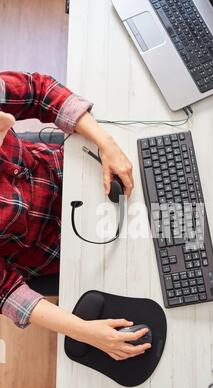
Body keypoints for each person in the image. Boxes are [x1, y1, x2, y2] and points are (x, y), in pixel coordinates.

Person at [0, 71, 151, 361]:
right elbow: (5, 292)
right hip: (59, 249)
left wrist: (106, 143)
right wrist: (84, 331)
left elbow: (38, 90)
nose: (10, 123)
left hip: (72, 170)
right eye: (1, 131)